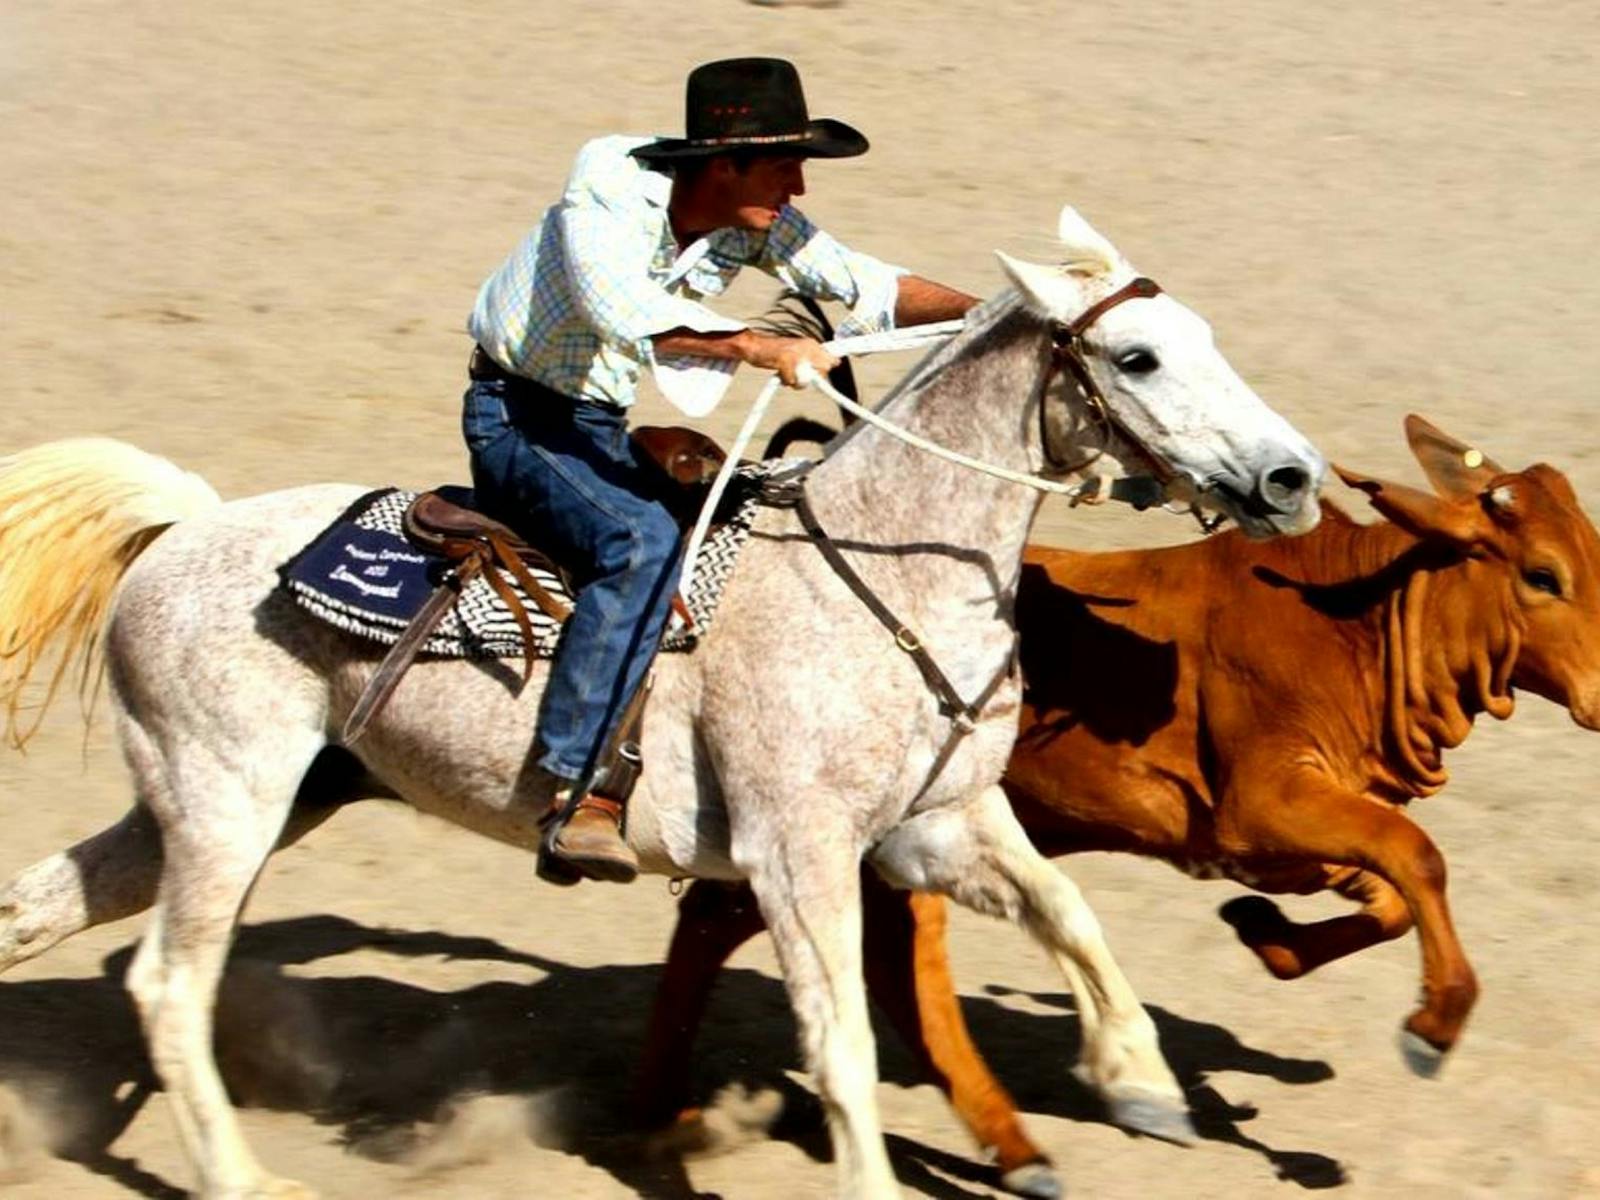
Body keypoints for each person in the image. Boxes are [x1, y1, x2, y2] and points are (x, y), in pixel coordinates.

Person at [463, 57, 978, 884]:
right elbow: (620, 310)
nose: (800, 186)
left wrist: (995, 312)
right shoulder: (602, 196)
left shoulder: (754, 219)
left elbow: (866, 283)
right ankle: (577, 791)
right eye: (785, 164)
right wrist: (759, 345)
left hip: (594, 421)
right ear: (724, 163)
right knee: (639, 541)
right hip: (519, 419)